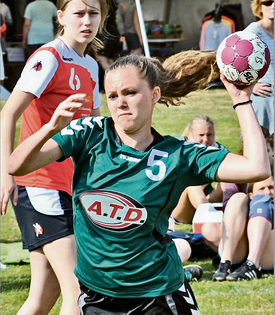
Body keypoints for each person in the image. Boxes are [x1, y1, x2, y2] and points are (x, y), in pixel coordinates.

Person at [6, 52, 270, 314]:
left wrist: (241, 99)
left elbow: (256, 168)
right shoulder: (88, 133)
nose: (120, 103)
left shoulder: (178, 154)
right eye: (112, 96)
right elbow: (16, 165)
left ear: (154, 95)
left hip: (158, 295)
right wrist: (50, 128)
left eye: (130, 92)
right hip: (97, 297)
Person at [0, 0, 108, 314]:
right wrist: (6, 174)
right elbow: (8, 115)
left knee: (41, 299)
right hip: (41, 186)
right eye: (79, 13)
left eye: (93, 13)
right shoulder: (49, 57)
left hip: (70, 188)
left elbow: (96, 129)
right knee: (79, 292)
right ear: (60, 17)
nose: (87, 21)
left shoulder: (90, 66)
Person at [212, 176, 274, 281]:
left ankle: (252, 265)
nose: (267, 192)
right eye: (261, 189)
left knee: (263, 202)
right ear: (251, 195)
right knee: (238, 197)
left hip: (266, 257)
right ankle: (225, 263)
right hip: (238, 252)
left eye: (271, 187)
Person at [172, 114, 226, 224]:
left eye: (209, 135)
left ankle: (215, 213)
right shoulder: (181, 149)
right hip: (180, 206)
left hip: (206, 199)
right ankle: (210, 217)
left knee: (228, 182)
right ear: (190, 135)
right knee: (192, 184)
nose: (205, 140)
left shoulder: (219, 149)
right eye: (201, 135)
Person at [244, 0, 274, 135]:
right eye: (268, 2)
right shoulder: (252, 32)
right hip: (265, 99)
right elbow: (233, 62)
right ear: (259, 7)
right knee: (263, 144)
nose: (273, 6)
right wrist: (251, 85)